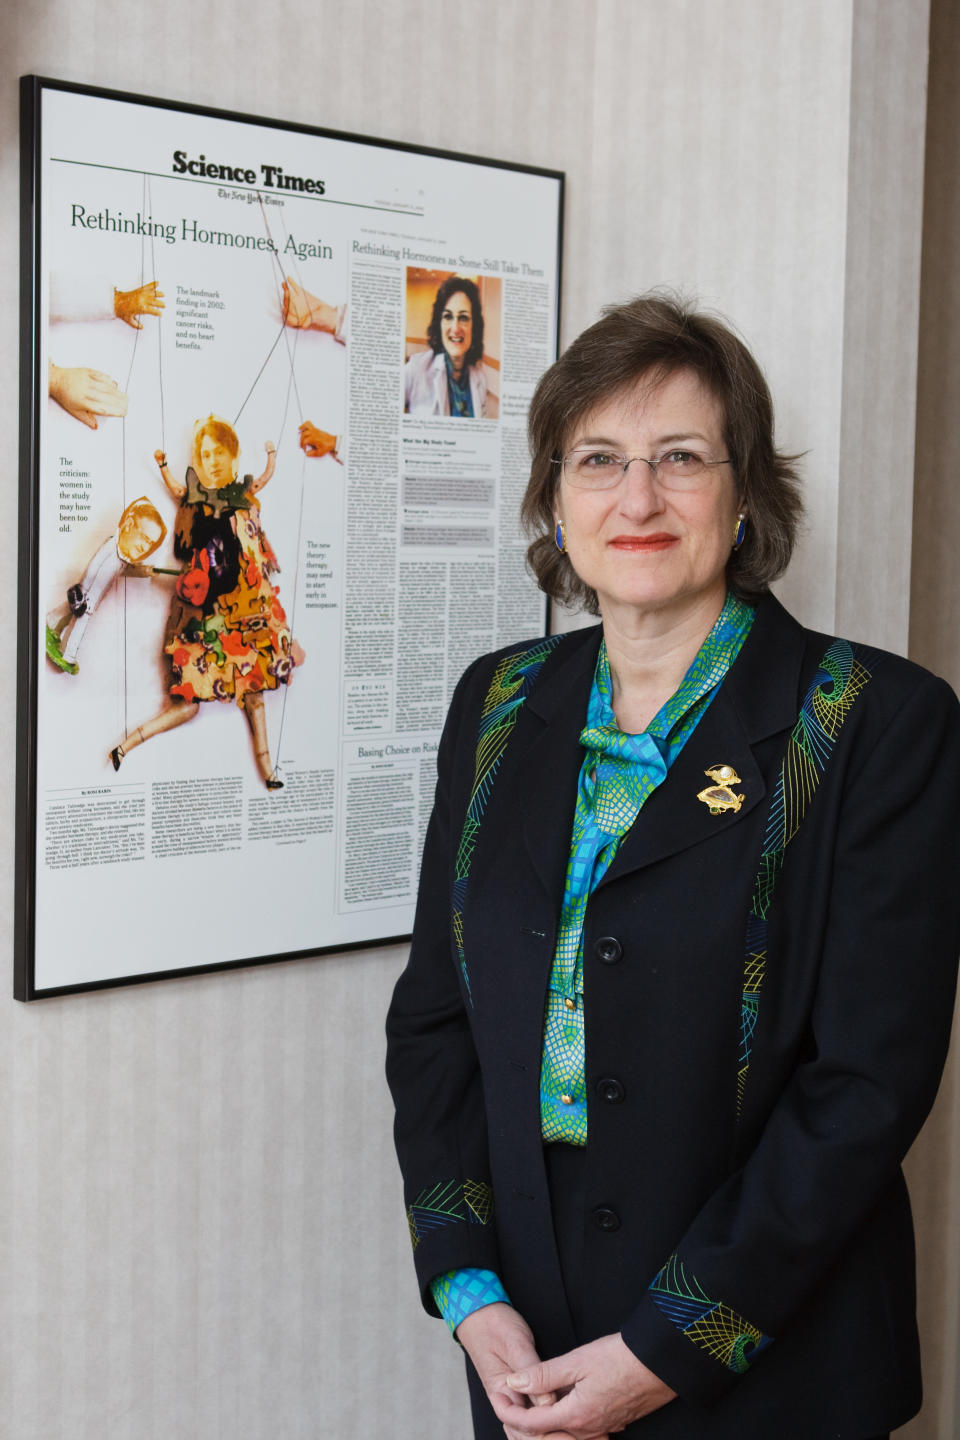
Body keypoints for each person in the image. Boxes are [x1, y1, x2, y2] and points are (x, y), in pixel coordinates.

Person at [386, 294, 960, 1440]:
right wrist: (468, 1290)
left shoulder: (871, 722)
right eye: (597, 459)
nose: (636, 497)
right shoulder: (497, 703)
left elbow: (862, 1089)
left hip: (772, 1357)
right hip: (527, 1344)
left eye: (680, 459)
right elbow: (437, 1019)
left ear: (745, 493)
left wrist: (666, 1348)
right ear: (556, 495)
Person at [109, 416, 298, 789]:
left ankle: (268, 771)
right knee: (188, 705)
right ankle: (127, 745)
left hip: (246, 612)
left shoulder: (245, 501)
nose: (213, 460)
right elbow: (179, 491)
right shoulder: (195, 504)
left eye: (219, 452)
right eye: (205, 453)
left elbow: (263, 479)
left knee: (255, 695)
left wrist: (272, 457)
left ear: (233, 455)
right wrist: (164, 467)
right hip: (206, 613)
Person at [404, 275, 492, 418]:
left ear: (474, 326)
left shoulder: (480, 378)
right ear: (439, 323)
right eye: (448, 317)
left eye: (463, 318)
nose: (455, 328)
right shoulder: (415, 369)